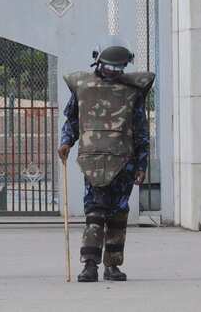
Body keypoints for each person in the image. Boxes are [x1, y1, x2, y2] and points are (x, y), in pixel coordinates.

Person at [59, 43, 153, 283]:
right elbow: (72, 120)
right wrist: (66, 142)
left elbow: (141, 132)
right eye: (109, 66)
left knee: (118, 214)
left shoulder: (132, 92)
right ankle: (89, 265)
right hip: (94, 160)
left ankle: (112, 266)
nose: (112, 71)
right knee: (95, 213)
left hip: (124, 162)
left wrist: (142, 166)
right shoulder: (84, 87)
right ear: (98, 63)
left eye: (117, 68)